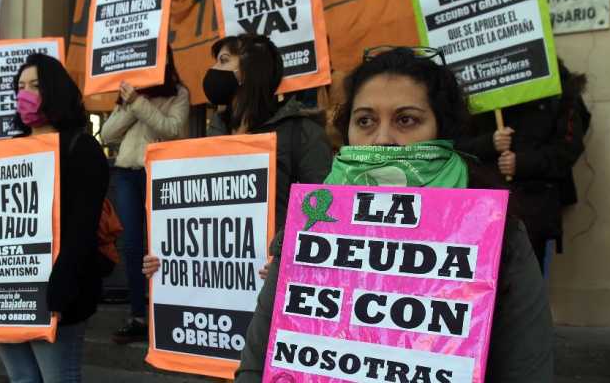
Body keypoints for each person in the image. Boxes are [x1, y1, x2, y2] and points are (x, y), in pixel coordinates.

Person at [218, 47, 552, 382]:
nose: (383, 139)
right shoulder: (310, 224)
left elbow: (526, 369)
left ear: (441, 130)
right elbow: (258, 362)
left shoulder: (496, 234)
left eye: (406, 120)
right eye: (365, 121)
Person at [0, 54, 110, 382]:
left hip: (58, 294)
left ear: (55, 90)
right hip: (0, 291)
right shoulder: (7, 150)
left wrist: (61, 288)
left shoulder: (82, 148)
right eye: (20, 86)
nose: (26, 93)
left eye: (35, 85)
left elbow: (82, 228)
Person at [202, 34, 333, 255]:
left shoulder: (302, 133)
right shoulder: (217, 127)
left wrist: (286, 256)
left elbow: (322, 211)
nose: (213, 69)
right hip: (220, 264)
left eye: (223, 61)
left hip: (273, 267)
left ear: (249, 70)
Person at [457, 60, 589, 274]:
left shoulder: (557, 85)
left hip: (535, 210)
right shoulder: (472, 80)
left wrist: (523, 163)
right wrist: (489, 143)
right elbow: (453, 146)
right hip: (482, 208)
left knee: (527, 285)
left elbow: (567, 148)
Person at [100, 48, 189, 344]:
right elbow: (108, 134)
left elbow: (173, 130)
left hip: (160, 173)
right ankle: (138, 315)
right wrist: (131, 102)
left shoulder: (178, 93)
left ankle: (167, 313)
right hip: (127, 173)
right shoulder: (131, 96)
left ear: (166, 60)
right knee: (133, 246)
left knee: (162, 246)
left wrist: (138, 103)